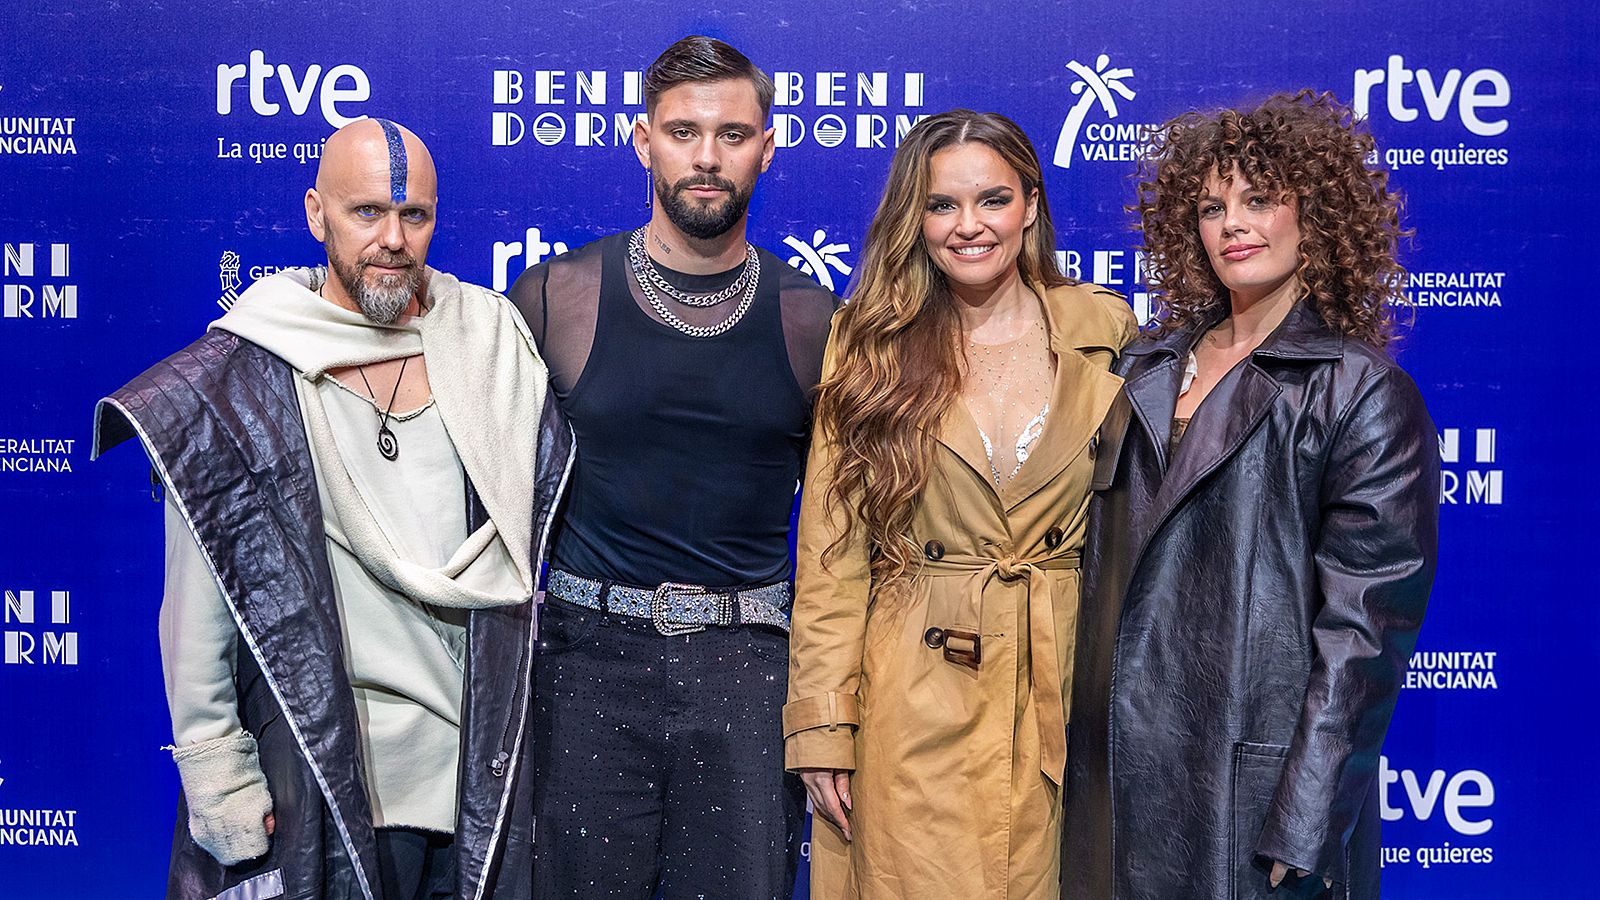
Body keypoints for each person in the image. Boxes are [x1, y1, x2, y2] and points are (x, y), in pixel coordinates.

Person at [92, 119, 570, 900]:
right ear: (317, 214)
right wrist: (216, 773)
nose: (393, 239)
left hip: (478, 785)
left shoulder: (490, 350)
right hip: (319, 780)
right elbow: (197, 604)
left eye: (413, 214)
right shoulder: (239, 379)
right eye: (366, 212)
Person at [1062, 90, 1440, 900]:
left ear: (1317, 215)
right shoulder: (1143, 370)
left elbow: (1362, 639)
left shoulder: (1361, 393)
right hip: (1115, 790)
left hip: (1249, 804)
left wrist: (1306, 820)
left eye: (1260, 200)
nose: (1232, 223)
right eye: (1211, 207)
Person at [505, 35, 835, 900]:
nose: (707, 156)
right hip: (583, 668)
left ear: (768, 147)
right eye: (684, 132)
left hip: (750, 672)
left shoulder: (816, 322)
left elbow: (845, 539)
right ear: (643, 140)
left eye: (732, 134)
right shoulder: (554, 298)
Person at [784, 109, 1138, 898]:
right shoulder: (869, 342)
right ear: (915, 218)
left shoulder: (1106, 329)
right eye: (942, 204)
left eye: (993, 200)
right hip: (914, 687)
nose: (968, 225)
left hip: (1065, 684)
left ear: (1031, 204)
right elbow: (833, 553)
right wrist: (823, 723)